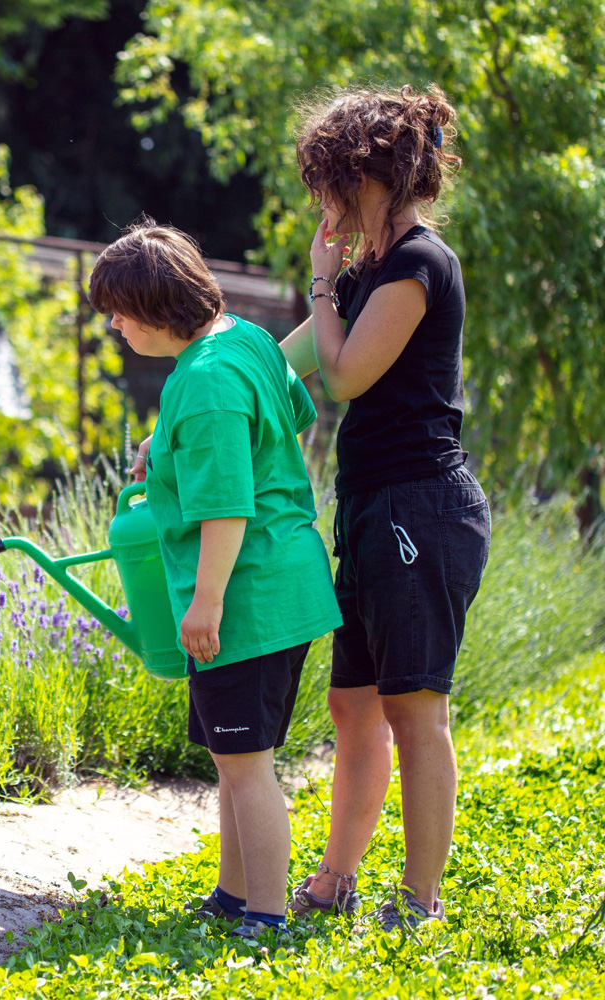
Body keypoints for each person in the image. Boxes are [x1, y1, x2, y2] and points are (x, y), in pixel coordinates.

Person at [88, 220, 342, 940]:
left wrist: (206, 603)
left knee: (248, 767)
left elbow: (227, 506)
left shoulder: (202, 383)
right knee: (236, 759)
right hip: (285, 583)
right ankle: (233, 897)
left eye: (119, 312)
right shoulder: (246, 340)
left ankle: (265, 916)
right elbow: (290, 417)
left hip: (245, 600)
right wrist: (171, 446)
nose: (113, 325)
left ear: (155, 308)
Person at [279, 85, 491, 931]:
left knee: (414, 707)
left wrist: (322, 282)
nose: (322, 201)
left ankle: (419, 903)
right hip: (373, 506)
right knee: (354, 705)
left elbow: (342, 374)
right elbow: (283, 366)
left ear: (364, 176)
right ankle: (336, 880)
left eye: (327, 181)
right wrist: (186, 417)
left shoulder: (418, 264)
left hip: (422, 506)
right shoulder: (371, 271)